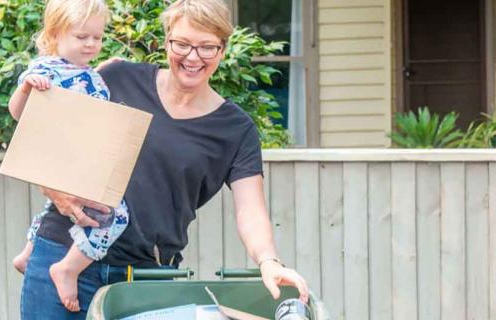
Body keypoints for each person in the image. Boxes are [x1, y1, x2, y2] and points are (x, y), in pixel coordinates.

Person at [20, 0, 309, 318]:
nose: (192, 57)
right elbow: (47, 133)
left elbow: (251, 211)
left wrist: (269, 262)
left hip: (143, 279)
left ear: (223, 50)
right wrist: (54, 189)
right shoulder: (117, 78)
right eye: (182, 44)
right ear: (166, 41)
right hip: (60, 252)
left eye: (206, 47)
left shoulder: (235, 130)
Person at [8, 0, 130, 313]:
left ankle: (29, 250)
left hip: (82, 159)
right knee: (115, 214)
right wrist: (26, 90)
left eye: (97, 37)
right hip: (67, 157)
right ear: (55, 35)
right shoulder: (44, 70)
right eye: (81, 37)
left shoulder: (89, 73)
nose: (91, 44)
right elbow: (18, 114)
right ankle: (68, 268)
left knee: (57, 204)